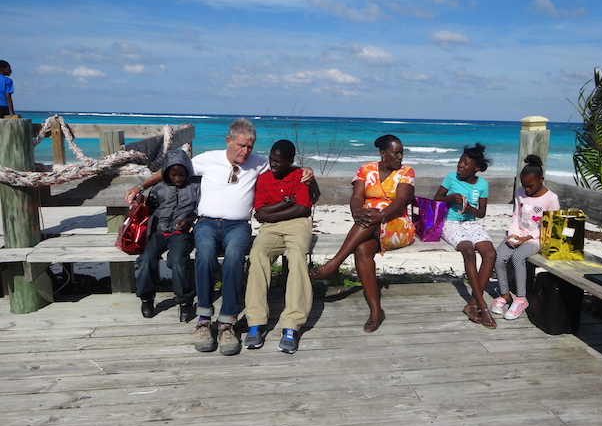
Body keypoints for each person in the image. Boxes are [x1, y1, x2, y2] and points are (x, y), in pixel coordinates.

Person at [124, 118, 313, 356]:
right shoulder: (207, 159)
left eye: (250, 147)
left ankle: (227, 323)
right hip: (206, 223)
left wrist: (306, 170)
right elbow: (172, 167)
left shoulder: (259, 163)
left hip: (238, 226)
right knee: (205, 254)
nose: (246, 151)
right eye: (241, 145)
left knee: (234, 257)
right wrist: (141, 187)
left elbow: (284, 165)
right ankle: (203, 320)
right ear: (229, 141)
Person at [309, 135, 415, 333]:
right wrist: (357, 213)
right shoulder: (366, 169)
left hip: (397, 225)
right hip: (368, 224)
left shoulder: (406, 172)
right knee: (361, 250)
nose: (400, 156)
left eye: (401, 152)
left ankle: (334, 264)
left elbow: (402, 200)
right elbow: (357, 197)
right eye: (396, 152)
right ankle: (376, 311)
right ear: (383, 154)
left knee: (372, 219)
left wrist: (381, 215)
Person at [244, 140, 313, 354]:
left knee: (297, 258)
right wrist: (287, 203)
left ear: (290, 162)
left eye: (278, 162)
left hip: (298, 225)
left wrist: (275, 213)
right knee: (258, 254)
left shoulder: (300, 175)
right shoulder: (263, 179)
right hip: (270, 228)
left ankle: (291, 325)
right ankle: (256, 321)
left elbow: (303, 209)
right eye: (271, 159)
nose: (273, 164)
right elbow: (260, 214)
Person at [434, 143, 497, 329]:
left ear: (476, 168)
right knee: (468, 251)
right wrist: (450, 198)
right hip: (451, 223)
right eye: (460, 162)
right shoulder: (451, 178)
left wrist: (471, 209)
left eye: (465, 163)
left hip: (471, 223)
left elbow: (482, 213)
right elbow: (435, 199)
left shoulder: (483, 185)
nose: (460, 166)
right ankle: (482, 304)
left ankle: (471, 303)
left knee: (490, 254)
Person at [491, 155, 559, 320]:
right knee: (498, 257)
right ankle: (505, 293)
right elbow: (516, 215)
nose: (526, 190)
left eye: (530, 186)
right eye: (524, 185)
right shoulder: (520, 192)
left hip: (536, 239)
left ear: (541, 179)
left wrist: (527, 238)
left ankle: (521, 298)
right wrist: (513, 233)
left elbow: (550, 226)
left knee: (518, 257)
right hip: (517, 235)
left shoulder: (551, 198)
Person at [134, 149, 200, 322]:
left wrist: (189, 220)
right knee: (147, 259)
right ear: (166, 173)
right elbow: (149, 209)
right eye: (173, 174)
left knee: (178, 260)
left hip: (181, 233)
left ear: (188, 171)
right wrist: (143, 202)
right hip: (158, 231)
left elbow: (201, 210)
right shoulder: (159, 187)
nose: (178, 178)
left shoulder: (195, 187)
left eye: (181, 174)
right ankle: (146, 298)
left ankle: (185, 301)